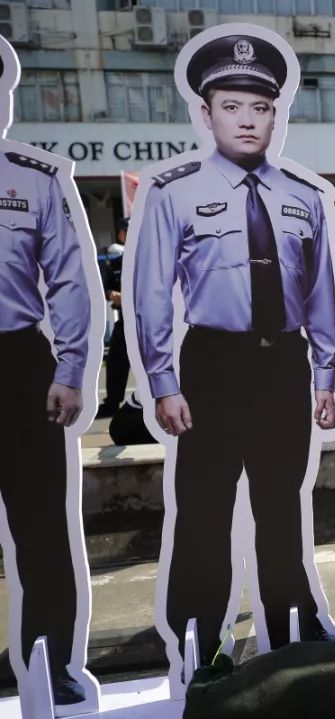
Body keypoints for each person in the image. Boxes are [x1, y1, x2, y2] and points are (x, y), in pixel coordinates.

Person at [132, 33, 335, 665]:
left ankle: (293, 631)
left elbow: (322, 293)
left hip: (283, 365)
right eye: (231, 106)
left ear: (276, 115)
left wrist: (325, 375)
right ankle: (198, 645)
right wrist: (164, 383)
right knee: (205, 509)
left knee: (282, 505)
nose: (247, 120)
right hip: (213, 366)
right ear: (206, 113)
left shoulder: (304, 195)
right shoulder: (173, 192)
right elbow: (150, 296)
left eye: (260, 108)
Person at [0, 89, 95, 705]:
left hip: (18, 364)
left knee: (40, 527)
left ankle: (49, 662)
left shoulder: (34, 180)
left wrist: (71, 367)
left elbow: (67, 277)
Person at [98, 217, 131, 418]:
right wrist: (112, 294)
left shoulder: (150, 255)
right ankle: (111, 403)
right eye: (126, 231)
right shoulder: (115, 258)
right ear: (120, 234)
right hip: (126, 321)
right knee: (116, 360)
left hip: (151, 321)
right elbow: (106, 284)